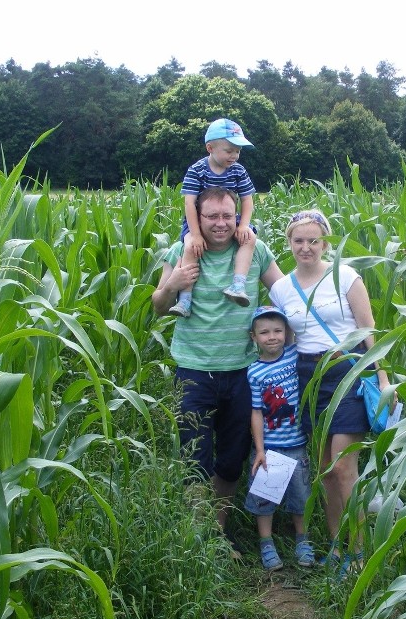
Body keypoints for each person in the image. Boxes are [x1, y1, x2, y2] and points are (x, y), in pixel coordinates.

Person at [152, 187, 284, 544]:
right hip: (194, 370)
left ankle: (219, 531)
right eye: (212, 217)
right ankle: (201, 541)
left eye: (228, 215)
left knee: (231, 457)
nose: (222, 223)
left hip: (243, 372)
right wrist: (173, 285)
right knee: (195, 456)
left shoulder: (254, 250)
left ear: (237, 216)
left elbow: (286, 294)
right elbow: (158, 305)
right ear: (198, 218)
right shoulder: (181, 251)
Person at [268, 209, 393, 576]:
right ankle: (338, 546)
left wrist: (383, 378)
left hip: (349, 371)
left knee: (343, 466)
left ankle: (358, 551)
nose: (306, 248)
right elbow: (284, 339)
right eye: (298, 241)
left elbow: (370, 330)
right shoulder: (281, 288)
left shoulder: (346, 277)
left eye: (313, 241)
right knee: (323, 468)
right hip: (307, 376)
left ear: (325, 242)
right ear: (289, 243)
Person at [244, 305, 315, 571]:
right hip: (270, 447)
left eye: (278, 330)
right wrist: (260, 449)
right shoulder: (254, 372)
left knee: (302, 495)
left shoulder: (294, 355)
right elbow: (256, 412)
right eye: (264, 332)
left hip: (297, 444)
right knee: (265, 497)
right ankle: (266, 543)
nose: (272, 336)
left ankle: (303, 540)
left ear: (287, 332)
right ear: (254, 337)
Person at [169, 118, 258, 317]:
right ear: (210, 147)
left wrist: (243, 225)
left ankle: (238, 284)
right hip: (200, 221)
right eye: (229, 150)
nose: (234, 155)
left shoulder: (238, 170)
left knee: (250, 238)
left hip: (229, 219)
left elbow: (247, 200)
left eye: (238, 151)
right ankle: (184, 300)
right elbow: (189, 204)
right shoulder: (197, 170)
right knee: (191, 245)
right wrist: (196, 234)